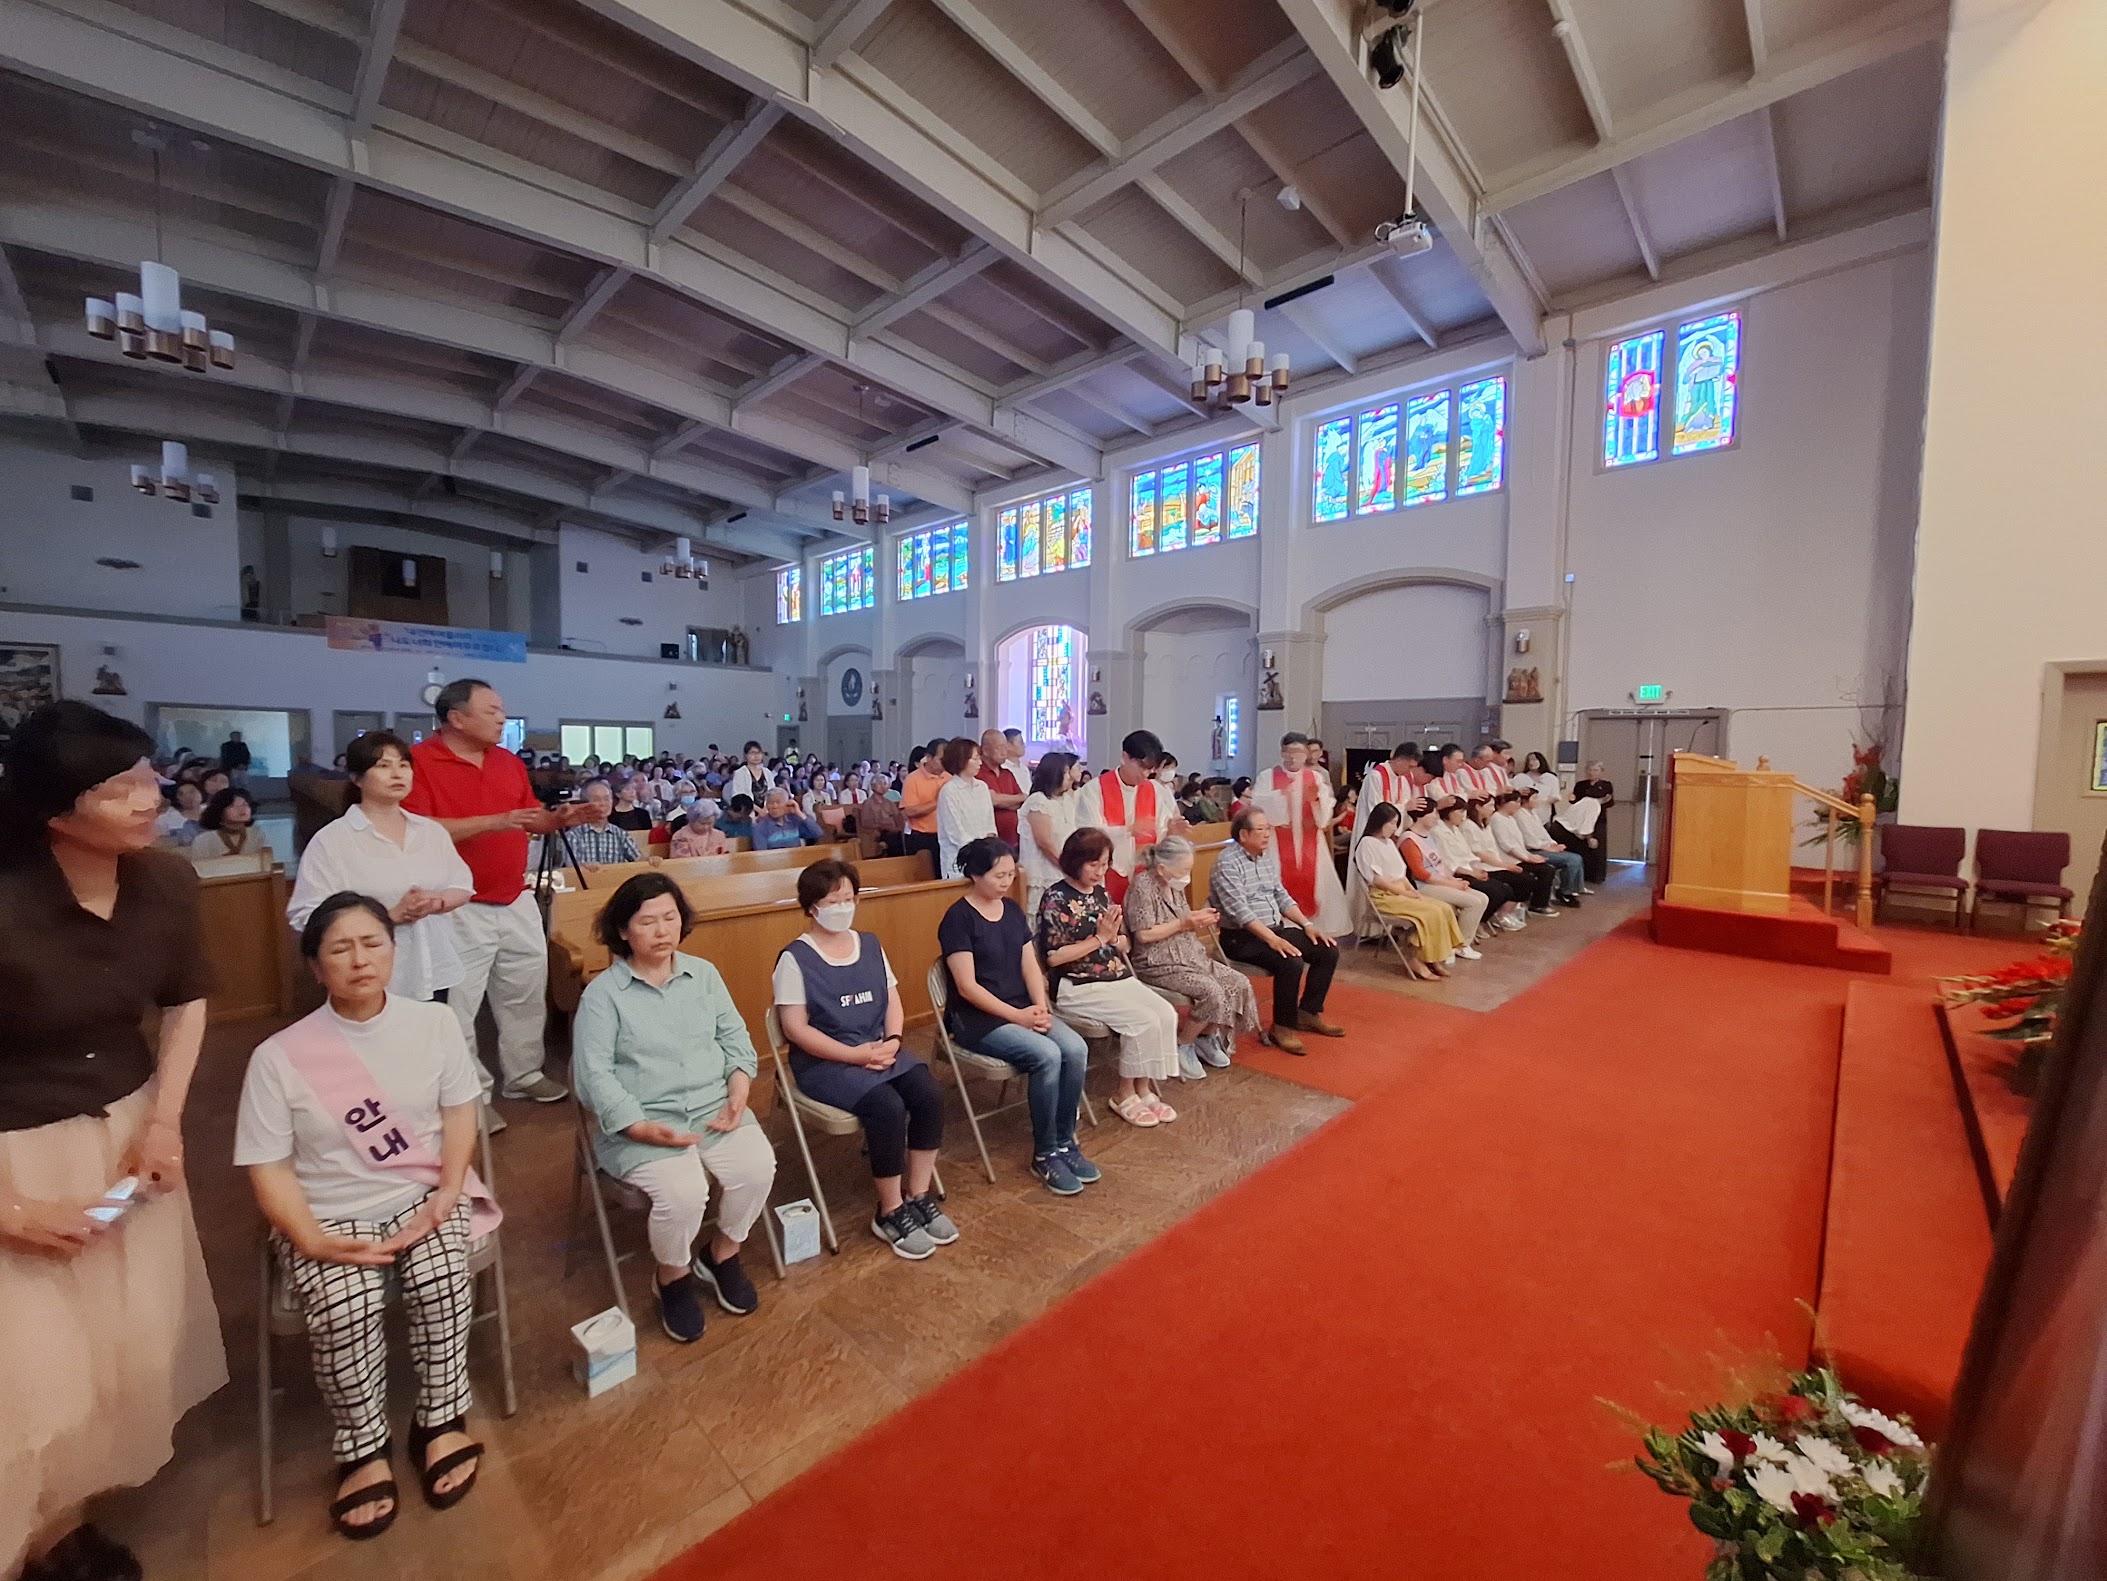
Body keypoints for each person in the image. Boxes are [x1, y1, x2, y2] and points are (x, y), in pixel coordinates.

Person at [0, 703, 227, 1581]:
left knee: (119, 1343)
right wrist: (9, 1206)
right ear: (56, 811)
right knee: (29, 1368)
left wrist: (164, 1117)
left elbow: (186, 997)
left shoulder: (165, 881)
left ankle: (62, 1526)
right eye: (119, 786)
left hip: (127, 1130)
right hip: (19, 1148)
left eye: (147, 774)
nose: (150, 795)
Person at [236, 893, 491, 1539]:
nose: (359, 959)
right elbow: (267, 1167)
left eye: (372, 942)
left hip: (421, 1194)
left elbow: (461, 1112)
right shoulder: (279, 1056)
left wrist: (448, 1188)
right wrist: (310, 1238)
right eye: (340, 948)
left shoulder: (431, 1024)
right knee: (346, 1309)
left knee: (441, 1283)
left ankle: (438, 1419)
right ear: (316, 966)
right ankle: (363, 1446)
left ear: (394, 949)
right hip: (328, 1214)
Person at [572, 875, 775, 1342]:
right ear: (623, 931)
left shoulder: (703, 974)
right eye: (647, 922)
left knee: (758, 1167)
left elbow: (736, 1042)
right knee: (684, 1193)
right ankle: (672, 1277)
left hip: (713, 1108)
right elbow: (594, 1078)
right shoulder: (603, 996)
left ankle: (720, 1254)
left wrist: (739, 1090)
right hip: (643, 1124)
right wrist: (640, 1127)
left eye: (670, 918)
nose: (663, 931)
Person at [404, 679, 589, 1106]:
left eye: (502, 709)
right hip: (457, 902)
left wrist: (561, 818)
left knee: (524, 991)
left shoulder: (507, 762)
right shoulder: (419, 762)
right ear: (457, 718)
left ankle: (523, 1074)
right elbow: (418, 832)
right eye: (491, 710)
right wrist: (494, 820)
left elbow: (527, 820)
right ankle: (469, 1097)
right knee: (459, 1006)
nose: (502, 717)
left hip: (514, 895)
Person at [774, 860, 956, 1260]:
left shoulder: (870, 943)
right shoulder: (795, 958)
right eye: (832, 901)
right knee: (886, 1106)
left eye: (848, 899)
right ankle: (889, 1211)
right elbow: (796, 1029)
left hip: (877, 1048)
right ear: (810, 907)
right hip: (826, 1062)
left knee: (928, 1093)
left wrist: (893, 1039)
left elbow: (892, 1000)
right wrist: (852, 1054)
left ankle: (919, 1194)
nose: (843, 907)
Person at [938, 838, 1096, 1195]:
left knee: (1076, 1048)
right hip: (979, 1018)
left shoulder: (1010, 910)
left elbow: (1030, 965)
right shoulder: (958, 918)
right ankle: (1044, 1153)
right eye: (998, 875)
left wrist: (1040, 1006)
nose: (1007, 881)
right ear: (975, 875)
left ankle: (1064, 1141)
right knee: (1047, 1055)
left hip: (1024, 1008)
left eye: (1011, 873)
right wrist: (1020, 1017)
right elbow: (967, 987)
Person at [288, 732, 475, 1002]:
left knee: (429, 1041)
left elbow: (462, 886)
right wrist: (387, 916)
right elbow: (304, 914)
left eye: (403, 765)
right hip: (366, 976)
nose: (397, 774)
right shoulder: (334, 839)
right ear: (356, 778)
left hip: (433, 969)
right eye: (383, 766)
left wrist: (436, 902)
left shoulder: (430, 832)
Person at [1037, 828, 1181, 1128]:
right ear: (1074, 861)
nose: (1100, 872)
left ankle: (1144, 1088)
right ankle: (1124, 1093)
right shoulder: (1055, 897)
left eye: (1105, 865)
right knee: (1141, 1020)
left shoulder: (1101, 893)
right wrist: (1099, 939)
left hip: (1116, 976)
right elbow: (1053, 957)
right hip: (1077, 984)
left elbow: (1123, 941)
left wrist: (1117, 939)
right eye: (1094, 865)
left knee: (1165, 1013)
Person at [1208, 807, 1342, 1054]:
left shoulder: (1265, 857)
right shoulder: (1227, 863)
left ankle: (1308, 1012)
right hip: (1240, 938)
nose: (1267, 834)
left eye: (1268, 828)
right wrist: (1272, 940)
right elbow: (1240, 911)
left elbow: (1281, 896)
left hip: (1273, 929)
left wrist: (1308, 925)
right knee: (1291, 960)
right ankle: (1282, 1027)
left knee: (1327, 950)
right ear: (1243, 834)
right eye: (1261, 830)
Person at [1124, 837, 1259, 1078]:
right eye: (1184, 870)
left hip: (1189, 954)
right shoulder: (1142, 886)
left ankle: (1206, 1037)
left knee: (1238, 983)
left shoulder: (1172, 885)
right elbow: (1144, 935)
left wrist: (1198, 918)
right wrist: (1185, 923)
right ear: (1163, 868)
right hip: (1157, 961)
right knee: (1212, 991)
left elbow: (1183, 919)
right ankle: (1182, 1043)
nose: (1187, 875)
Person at [1347, 803, 1467, 979]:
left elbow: (1401, 874)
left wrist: (1413, 892)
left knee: (1443, 908)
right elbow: (1378, 880)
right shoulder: (1367, 843)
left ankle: (1432, 958)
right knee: (1430, 913)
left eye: (1397, 823)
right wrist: (1404, 894)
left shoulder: (1389, 843)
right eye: (1392, 823)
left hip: (1401, 890)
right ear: (1380, 822)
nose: (1394, 828)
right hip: (1384, 896)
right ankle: (1416, 959)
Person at [1248, 732, 1351, 934]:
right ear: (1282, 752)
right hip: (1278, 841)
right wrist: (1281, 795)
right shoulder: (1267, 776)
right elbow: (1258, 805)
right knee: (1277, 880)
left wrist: (1316, 801)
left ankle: (1316, 929)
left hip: (1310, 839)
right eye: (1290, 751)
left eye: (1300, 752)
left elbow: (1325, 814)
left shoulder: (1316, 777)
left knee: (1317, 885)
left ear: (1307, 754)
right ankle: (1282, 926)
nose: (1294, 757)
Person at [1073, 728, 1186, 905]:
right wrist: (1128, 830)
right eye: (1141, 766)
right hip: (1106, 876)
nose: (1145, 774)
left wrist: (1171, 832)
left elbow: (1160, 836)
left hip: (1145, 879)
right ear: (1125, 757)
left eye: (1150, 769)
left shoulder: (1155, 790)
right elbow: (1086, 835)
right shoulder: (1095, 789)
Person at [1400, 800, 1492, 949]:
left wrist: (1454, 879)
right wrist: (1452, 884)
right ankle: (1460, 946)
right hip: (1424, 886)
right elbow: (1421, 874)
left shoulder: (1428, 836)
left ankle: (1461, 943)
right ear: (1420, 815)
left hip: (1440, 881)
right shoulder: (1409, 840)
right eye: (1433, 813)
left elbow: (1441, 865)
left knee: (1482, 898)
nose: (1436, 817)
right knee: (1473, 902)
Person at [1432, 798, 1523, 933]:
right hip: (1455, 874)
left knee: (1506, 890)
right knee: (1495, 892)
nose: (1463, 815)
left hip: (1469, 869)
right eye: (1460, 811)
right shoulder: (1438, 831)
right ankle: (1474, 924)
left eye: (1464, 811)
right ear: (1448, 812)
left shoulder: (1455, 830)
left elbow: (1468, 854)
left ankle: (1481, 919)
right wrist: (1472, 873)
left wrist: (1476, 869)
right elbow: (1449, 862)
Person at [1466, 795, 1557, 915]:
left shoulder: (1486, 824)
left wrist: (1529, 856)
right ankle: (1504, 913)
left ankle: (1509, 911)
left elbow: (1518, 844)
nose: (1493, 809)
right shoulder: (1471, 825)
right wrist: (1510, 864)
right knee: (1525, 880)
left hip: (1499, 863)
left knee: (1543, 871)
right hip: (1487, 866)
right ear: (1478, 807)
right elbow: (1484, 852)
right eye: (1490, 806)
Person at [1018, 750, 1080, 918]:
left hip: (1064, 869)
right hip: (1044, 871)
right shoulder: (1038, 801)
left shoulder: (1067, 800)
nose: (1069, 777)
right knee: (1041, 916)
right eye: (1066, 772)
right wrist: (1066, 866)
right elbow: (1044, 842)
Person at [1502, 788, 1584, 907]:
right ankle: (1565, 892)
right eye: (1534, 798)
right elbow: (1529, 839)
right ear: (1525, 800)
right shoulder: (1520, 815)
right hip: (1533, 850)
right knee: (1573, 859)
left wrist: (1553, 843)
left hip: (1543, 847)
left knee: (1577, 857)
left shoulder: (1533, 813)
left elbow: (1543, 832)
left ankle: (1573, 889)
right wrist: (1547, 848)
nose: (1537, 801)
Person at [935, 737, 997, 878]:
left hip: (985, 858)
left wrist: (989, 847)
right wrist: (977, 851)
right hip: (959, 860)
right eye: (975, 759)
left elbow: (990, 823)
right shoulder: (949, 790)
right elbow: (955, 832)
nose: (980, 763)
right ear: (962, 760)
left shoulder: (982, 787)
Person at [1560, 761, 1616, 886]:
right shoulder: (1580, 785)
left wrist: (1593, 801)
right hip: (1580, 819)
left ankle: (1598, 876)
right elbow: (1576, 800)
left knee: (1598, 847)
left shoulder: (1606, 785)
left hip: (1599, 819)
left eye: (1595, 770)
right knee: (1582, 845)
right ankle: (1582, 875)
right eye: (1590, 770)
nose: (1592, 773)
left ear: (1601, 772)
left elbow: (1608, 800)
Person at [1354, 744, 1422, 843]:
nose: (1410, 771)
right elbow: (1375, 810)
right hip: (1372, 835)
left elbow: (1407, 808)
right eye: (1410, 766)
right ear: (1399, 760)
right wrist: (1404, 807)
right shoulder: (1375, 776)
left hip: (1392, 835)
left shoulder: (1402, 780)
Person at [566, 780, 643, 869]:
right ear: (585, 804)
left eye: (606, 799)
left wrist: (651, 860)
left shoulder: (620, 834)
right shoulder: (573, 835)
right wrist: (584, 867)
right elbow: (570, 868)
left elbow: (638, 860)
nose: (603, 804)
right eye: (596, 800)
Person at [976, 729, 1025, 850]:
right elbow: (992, 800)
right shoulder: (977, 773)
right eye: (1000, 748)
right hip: (989, 841)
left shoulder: (1007, 773)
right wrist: (1011, 800)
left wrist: (1002, 801)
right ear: (986, 750)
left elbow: (1022, 802)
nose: (1005, 751)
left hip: (1013, 838)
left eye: (1005, 747)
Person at [898, 748, 948, 868]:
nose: (945, 762)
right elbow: (909, 811)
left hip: (946, 835)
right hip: (922, 837)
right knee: (924, 876)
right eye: (941, 759)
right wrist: (938, 801)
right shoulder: (913, 779)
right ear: (929, 757)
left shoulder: (949, 777)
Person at [188, 785, 266, 861]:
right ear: (220, 811)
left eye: (244, 804)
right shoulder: (203, 840)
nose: (242, 809)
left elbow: (267, 860)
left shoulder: (256, 833)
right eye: (233, 805)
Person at [751, 786, 823, 851]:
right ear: (766, 806)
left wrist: (799, 813)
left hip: (796, 861)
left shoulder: (794, 820)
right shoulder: (760, 828)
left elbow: (818, 833)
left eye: (778, 802)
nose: (774, 806)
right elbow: (761, 855)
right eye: (770, 803)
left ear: (787, 803)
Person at [856, 774, 905, 859]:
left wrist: (899, 827)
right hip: (880, 832)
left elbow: (898, 818)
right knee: (892, 839)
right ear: (873, 786)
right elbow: (865, 822)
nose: (883, 786)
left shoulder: (889, 803)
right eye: (880, 783)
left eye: (885, 783)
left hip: (894, 831)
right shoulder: (868, 803)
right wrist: (883, 826)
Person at [156, 778, 206, 846]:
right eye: (181, 794)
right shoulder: (166, 819)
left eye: (192, 792)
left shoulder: (214, 811)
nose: (188, 796)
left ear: (201, 792)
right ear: (177, 799)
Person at [725, 741, 773, 806]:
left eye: (758, 753)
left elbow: (772, 792)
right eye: (752, 753)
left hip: (768, 810)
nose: (756, 756)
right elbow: (739, 795)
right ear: (745, 755)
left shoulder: (767, 772)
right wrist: (758, 810)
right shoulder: (740, 773)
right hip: (747, 811)